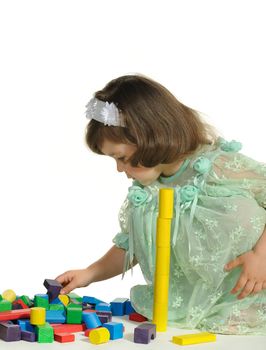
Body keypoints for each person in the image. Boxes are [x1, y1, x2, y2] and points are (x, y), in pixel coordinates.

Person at [56, 74, 266, 334]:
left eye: (121, 157)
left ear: (150, 136)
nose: (119, 169)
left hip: (248, 305)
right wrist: (89, 273)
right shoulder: (148, 191)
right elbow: (134, 244)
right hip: (189, 315)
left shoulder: (218, 167)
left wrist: (262, 254)